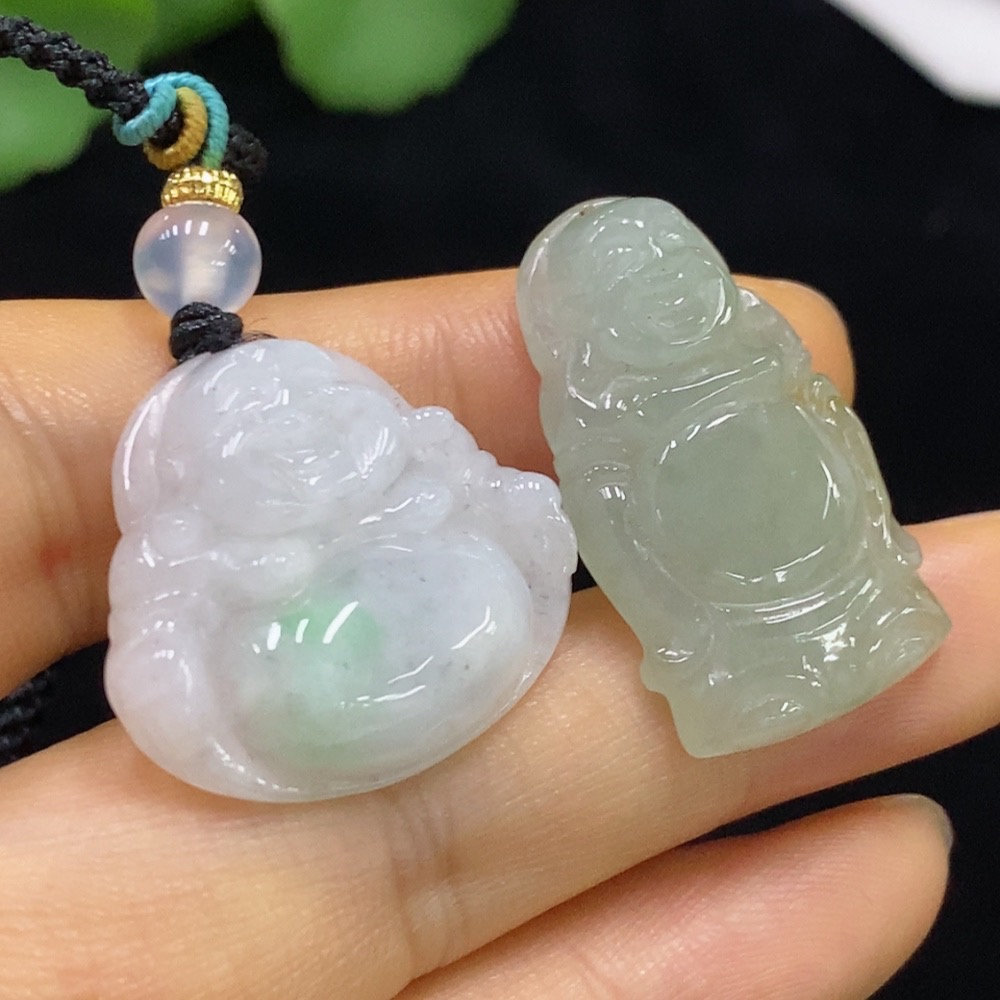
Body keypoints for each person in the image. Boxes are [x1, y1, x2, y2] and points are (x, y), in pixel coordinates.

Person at [0, 270, 979, 998]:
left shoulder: (425, 469)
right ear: (200, 473)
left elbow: (525, 512)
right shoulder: (195, 552)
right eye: (257, 440)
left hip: (481, 609)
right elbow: (161, 661)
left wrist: (516, 520)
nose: (302, 443)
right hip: (302, 675)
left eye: (322, 415)